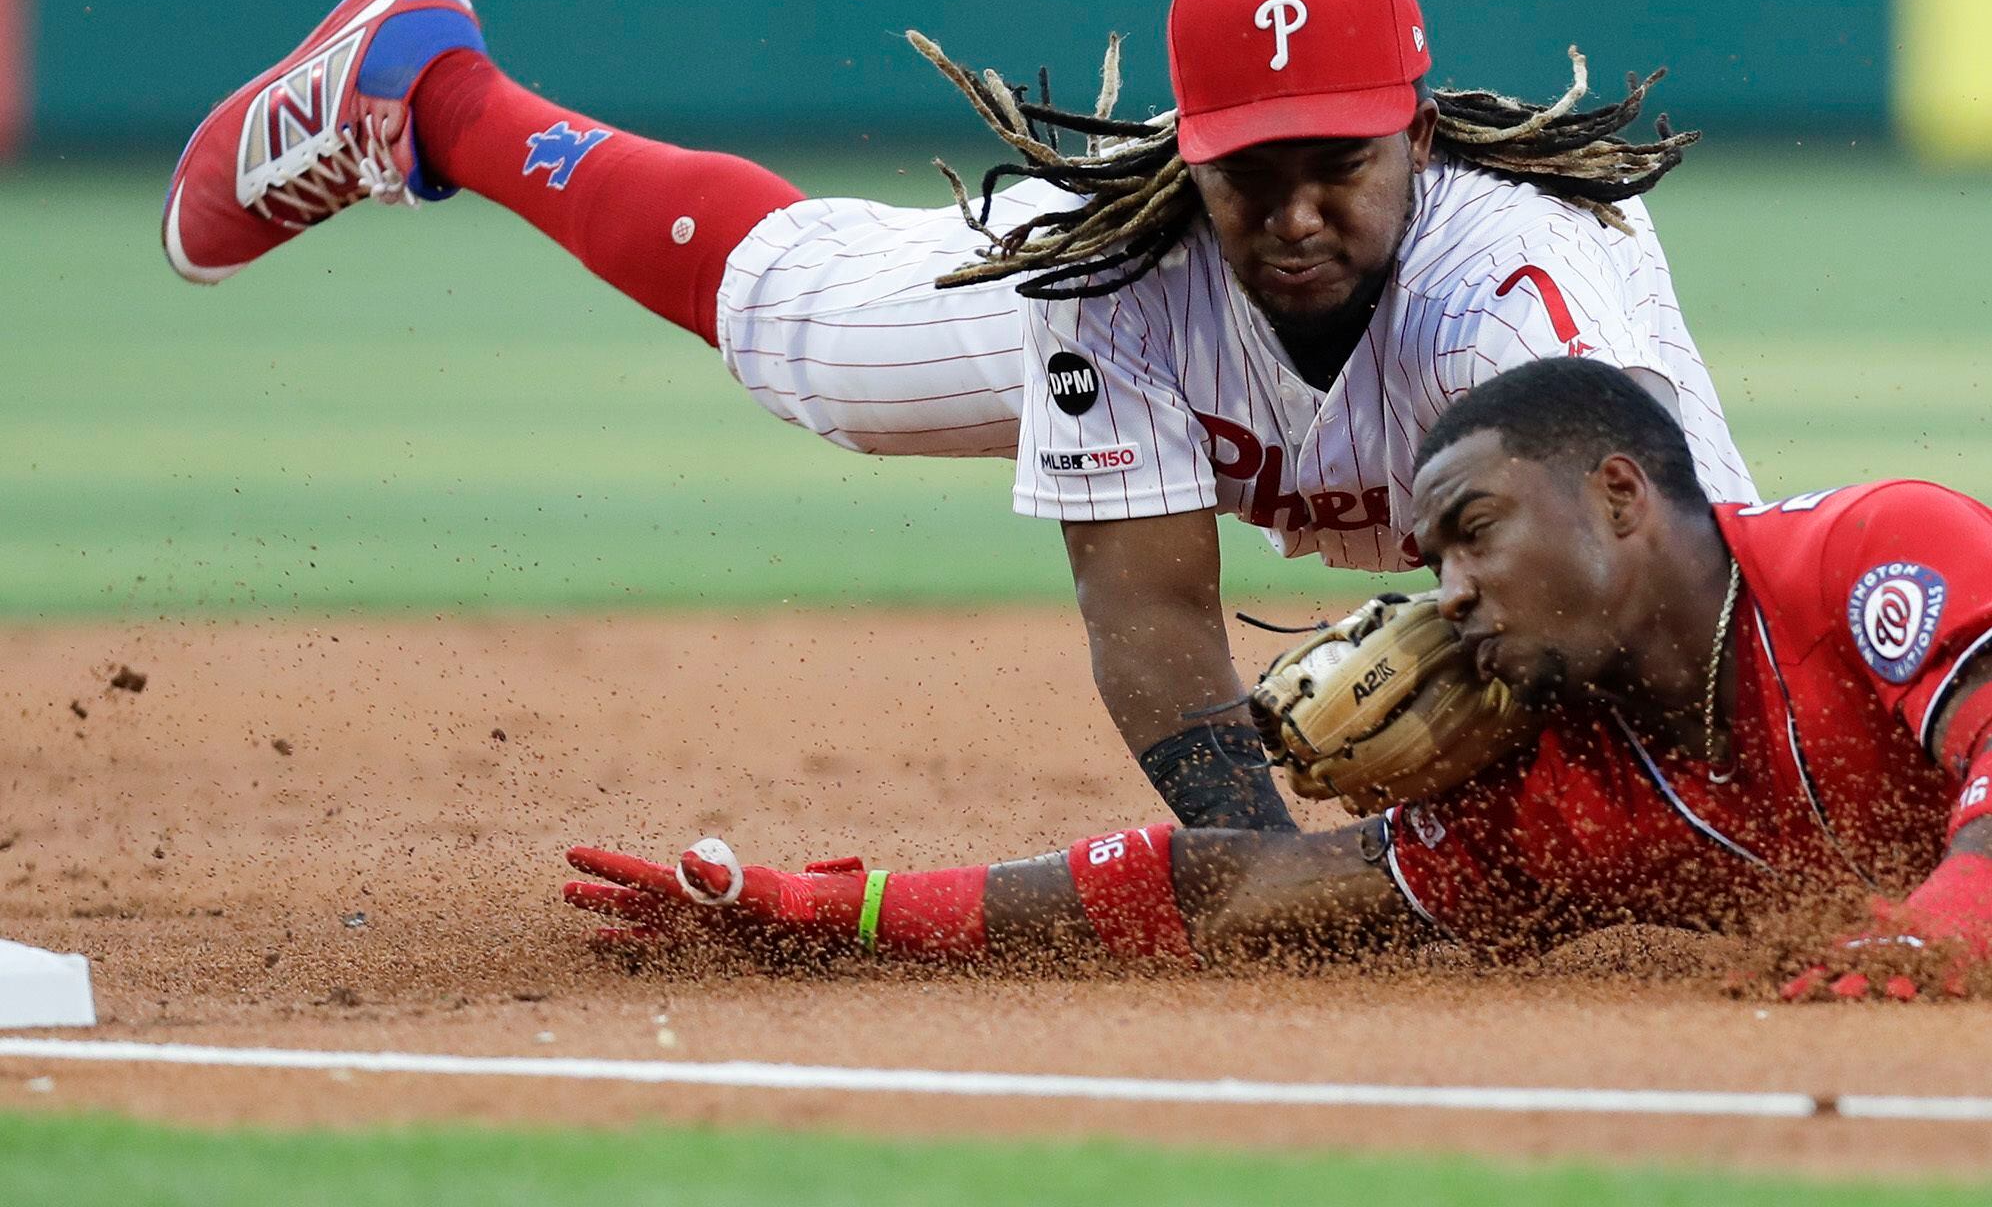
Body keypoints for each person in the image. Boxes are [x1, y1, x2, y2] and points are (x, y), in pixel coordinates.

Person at [162, 0, 1756, 832]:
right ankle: (429, 89)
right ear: (1185, 156)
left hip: (1562, 450)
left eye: (1336, 164)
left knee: (1700, 658)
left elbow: (1679, 609)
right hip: (1131, 319)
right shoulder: (1113, 266)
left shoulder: (1525, 302)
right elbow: (1148, 615)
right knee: (792, 324)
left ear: (1415, 130)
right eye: (1246, 171)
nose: (1291, 217)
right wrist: (1257, 856)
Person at [563, 360, 1992, 1002]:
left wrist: (1950, 923)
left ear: (1619, 495)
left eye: (1476, 533)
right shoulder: (1550, 785)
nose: (1451, 593)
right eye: (1433, 560)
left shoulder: (1868, 555)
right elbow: (1230, 893)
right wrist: (843, 910)